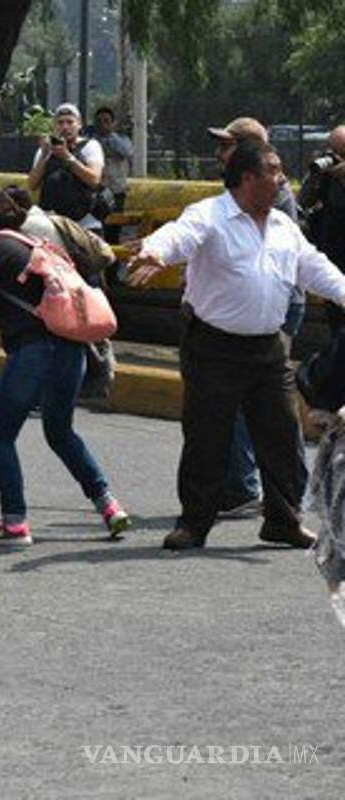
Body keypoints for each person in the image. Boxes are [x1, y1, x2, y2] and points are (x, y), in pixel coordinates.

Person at [127, 140, 345, 551]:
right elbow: (180, 235)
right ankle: (194, 523)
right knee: (208, 437)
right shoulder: (210, 215)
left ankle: (283, 520)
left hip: (269, 347)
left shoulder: (283, 226)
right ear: (247, 178)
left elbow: (314, 266)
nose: (282, 178)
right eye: (274, 170)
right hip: (213, 347)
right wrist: (156, 251)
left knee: (282, 435)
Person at [0, 185, 131, 547]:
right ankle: (110, 507)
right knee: (61, 432)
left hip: (34, 353)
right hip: (72, 350)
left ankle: (15, 523)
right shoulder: (31, 245)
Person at [206, 117, 302, 520]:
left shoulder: (270, 195)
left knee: (259, 399)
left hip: (274, 307)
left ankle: (252, 485)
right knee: (259, 398)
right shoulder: (236, 193)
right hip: (254, 306)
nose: (219, 154)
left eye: (227, 146)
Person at [27, 103, 106, 233]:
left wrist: (68, 157)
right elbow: (32, 184)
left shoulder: (90, 146)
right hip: (52, 224)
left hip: (85, 223)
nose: (65, 127)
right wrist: (44, 156)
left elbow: (94, 180)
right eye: (60, 123)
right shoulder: (45, 150)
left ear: (79, 124)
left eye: (70, 122)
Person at [298, 124, 345, 335]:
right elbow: (303, 201)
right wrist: (318, 177)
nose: (336, 157)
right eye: (334, 150)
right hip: (333, 252)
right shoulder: (326, 174)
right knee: (336, 320)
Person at [92, 107, 132, 242]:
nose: (103, 124)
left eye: (107, 121)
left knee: (114, 229)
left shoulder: (122, 140)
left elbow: (126, 152)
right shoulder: (90, 142)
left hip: (117, 191)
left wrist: (109, 138)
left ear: (113, 123)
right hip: (97, 192)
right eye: (99, 121)